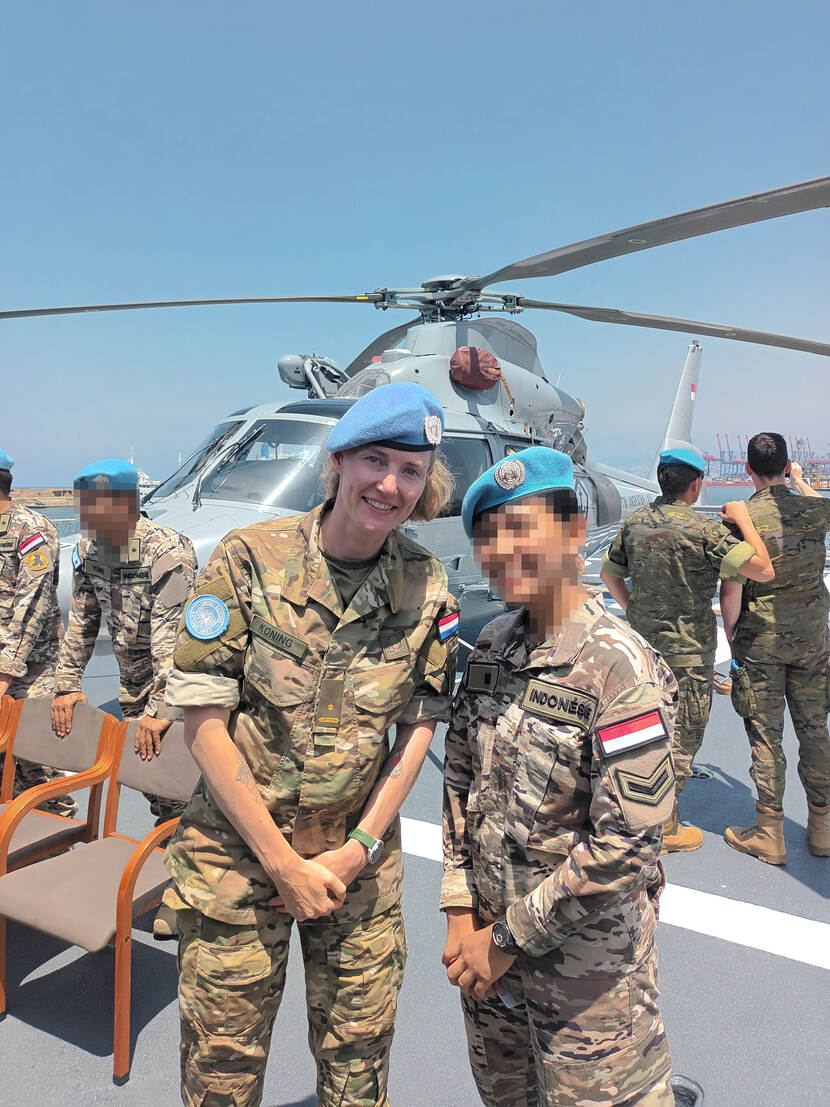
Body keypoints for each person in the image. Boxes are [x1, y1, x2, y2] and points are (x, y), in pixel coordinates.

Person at [161, 382, 459, 1107]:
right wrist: (280, 862)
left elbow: (418, 726)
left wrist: (359, 847)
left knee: (358, 1065)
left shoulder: (425, 583)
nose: (389, 485)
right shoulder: (249, 559)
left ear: (425, 486)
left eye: (411, 471)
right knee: (221, 1070)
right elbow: (202, 720)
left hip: (356, 867)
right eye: (375, 460)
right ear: (339, 461)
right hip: (237, 860)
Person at [442, 446, 678, 1107]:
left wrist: (507, 939)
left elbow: (627, 845)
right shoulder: (493, 646)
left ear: (574, 531)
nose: (500, 551)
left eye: (521, 528)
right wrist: (459, 909)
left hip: (588, 987)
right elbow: (460, 777)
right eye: (486, 536)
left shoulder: (619, 666)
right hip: (488, 967)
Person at [600, 447, 773, 852]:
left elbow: (609, 574)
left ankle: (631, 807)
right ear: (696, 485)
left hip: (642, 649)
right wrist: (745, 521)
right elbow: (763, 569)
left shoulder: (636, 523)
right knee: (682, 736)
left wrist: (634, 610)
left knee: (641, 725)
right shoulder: (704, 530)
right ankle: (665, 826)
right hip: (689, 654)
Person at [50, 459, 197, 823]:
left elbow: (173, 641)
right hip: (131, 689)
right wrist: (67, 685)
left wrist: (161, 710)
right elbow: (83, 621)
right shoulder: (90, 549)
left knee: (179, 796)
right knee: (153, 789)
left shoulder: (166, 553)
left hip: (174, 695)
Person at [720, 433, 830, 864]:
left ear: (747, 468)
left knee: (766, 737)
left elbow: (731, 593)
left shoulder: (740, 517)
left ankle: (769, 834)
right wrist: (800, 481)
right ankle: (822, 828)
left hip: (760, 642)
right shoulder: (815, 510)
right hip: (812, 641)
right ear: (787, 465)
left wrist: (732, 638)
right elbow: (818, 504)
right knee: (815, 730)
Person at [0, 448, 76, 816]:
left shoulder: (32, 530)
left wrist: (3, 677)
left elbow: (30, 607)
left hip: (32, 673)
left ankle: (61, 841)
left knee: (39, 776)